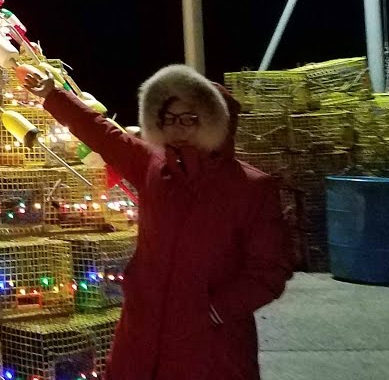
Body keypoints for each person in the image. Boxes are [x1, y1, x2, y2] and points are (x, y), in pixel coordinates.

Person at [25, 64, 292, 380]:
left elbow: (269, 273)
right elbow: (103, 134)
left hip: (209, 345)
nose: (178, 127)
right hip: (141, 334)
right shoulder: (153, 167)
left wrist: (212, 311)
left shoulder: (251, 188)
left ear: (218, 122)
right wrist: (53, 95)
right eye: (170, 118)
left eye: (191, 118)